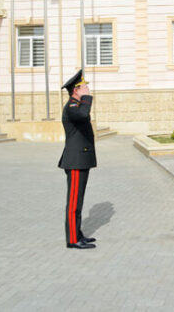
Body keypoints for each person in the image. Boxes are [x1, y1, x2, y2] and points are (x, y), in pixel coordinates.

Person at [59, 70, 97, 249]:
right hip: (75, 161)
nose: (88, 88)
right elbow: (82, 115)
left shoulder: (77, 105)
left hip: (81, 159)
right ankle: (72, 239)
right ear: (76, 90)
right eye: (84, 86)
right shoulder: (72, 107)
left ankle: (78, 232)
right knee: (74, 201)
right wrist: (87, 98)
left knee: (78, 200)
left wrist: (85, 99)